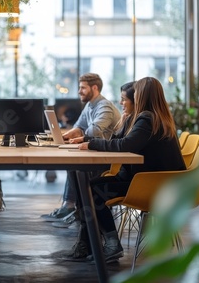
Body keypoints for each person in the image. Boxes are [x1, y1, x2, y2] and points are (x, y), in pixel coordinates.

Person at [66, 77, 186, 262]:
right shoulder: (151, 117)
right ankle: (89, 243)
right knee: (88, 187)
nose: (129, 98)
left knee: (92, 191)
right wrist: (121, 123)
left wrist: (91, 144)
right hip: (150, 181)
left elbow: (125, 145)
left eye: (135, 92)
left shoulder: (147, 118)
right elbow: (119, 140)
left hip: (149, 185)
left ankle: (109, 244)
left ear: (142, 96)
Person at [41, 73, 121, 222]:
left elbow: (94, 131)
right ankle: (71, 206)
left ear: (94, 88)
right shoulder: (90, 105)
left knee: (75, 164)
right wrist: (65, 136)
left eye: (82, 88)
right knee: (72, 162)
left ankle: (73, 207)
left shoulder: (104, 106)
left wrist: (78, 134)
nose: (79, 91)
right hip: (97, 152)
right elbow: (79, 127)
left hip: (110, 158)